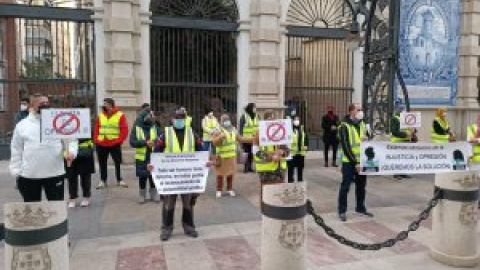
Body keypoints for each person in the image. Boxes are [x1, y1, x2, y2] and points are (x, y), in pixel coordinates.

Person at [147, 107, 205, 241]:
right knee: (168, 203)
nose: (180, 120)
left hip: (188, 176)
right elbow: (157, 152)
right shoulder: (165, 134)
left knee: (188, 202)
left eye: (182, 118)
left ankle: (189, 227)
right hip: (170, 176)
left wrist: (206, 162)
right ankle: (166, 228)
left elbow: (201, 151)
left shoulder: (192, 133)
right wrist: (152, 164)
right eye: (177, 118)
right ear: (172, 119)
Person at [10, 94, 77, 202]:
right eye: (41, 104)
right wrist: (16, 170)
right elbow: (16, 149)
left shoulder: (59, 122)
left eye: (47, 103)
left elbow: (71, 140)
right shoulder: (22, 125)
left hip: (55, 173)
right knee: (33, 209)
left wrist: (72, 152)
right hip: (29, 175)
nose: (45, 106)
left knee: (56, 210)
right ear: (32, 105)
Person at [337, 103, 373, 222]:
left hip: (362, 161)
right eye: (358, 109)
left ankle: (360, 207)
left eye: (361, 109)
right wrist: (355, 162)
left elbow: (370, 139)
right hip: (349, 162)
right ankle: (342, 211)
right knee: (345, 186)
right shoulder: (344, 126)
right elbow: (346, 146)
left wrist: (369, 136)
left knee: (361, 186)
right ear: (351, 111)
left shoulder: (363, 124)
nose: (361, 111)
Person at [211, 114, 252, 198]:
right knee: (220, 174)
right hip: (221, 156)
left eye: (227, 120)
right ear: (221, 121)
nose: (226, 121)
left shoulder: (233, 130)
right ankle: (219, 190)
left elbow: (240, 138)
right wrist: (220, 138)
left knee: (230, 173)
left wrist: (252, 139)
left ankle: (229, 189)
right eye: (224, 120)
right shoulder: (218, 130)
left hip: (231, 156)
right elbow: (214, 142)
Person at [253, 111, 289, 201]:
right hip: (266, 171)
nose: (272, 122)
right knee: (266, 196)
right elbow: (255, 151)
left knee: (279, 196)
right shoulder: (258, 133)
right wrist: (270, 157)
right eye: (269, 119)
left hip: (279, 170)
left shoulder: (280, 131)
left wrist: (282, 152)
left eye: (274, 119)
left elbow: (287, 151)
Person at [94, 98, 129, 189]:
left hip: (114, 143)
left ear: (110, 104)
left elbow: (124, 129)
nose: (104, 105)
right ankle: (103, 181)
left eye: (105, 103)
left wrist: (119, 140)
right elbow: (97, 128)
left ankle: (119, 179)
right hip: (101, 143)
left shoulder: (120, 115)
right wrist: (97, 140)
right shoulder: (101, 115)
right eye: (104, 103)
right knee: (102, 163)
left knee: (117, 162)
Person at [130, 110, 161, 204]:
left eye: (151, 117)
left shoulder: (155, 126)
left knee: (153, 176)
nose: (150, 118)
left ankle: (153, 194)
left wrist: (154, 142)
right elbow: (132, 142)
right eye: (148, 117)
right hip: (142, 156)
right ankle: (142, 195)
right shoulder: (137, 127)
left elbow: (161, 138)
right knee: (142, 176)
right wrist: (145, 143)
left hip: (153, 155)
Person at [67, 135, 95, 208]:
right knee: (71, 177)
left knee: (85, 177)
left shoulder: (86, 124)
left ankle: (86, 197)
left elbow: (90, 135)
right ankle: (72, 198)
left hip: (84, 152)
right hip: (70, 152)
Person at [390, 102, 415, 179]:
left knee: (405, 158)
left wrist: (413, 131)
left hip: (406, 141)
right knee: (397, 158)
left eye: (403, 109)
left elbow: (409, 129)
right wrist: (406, 134)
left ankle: (403, 173)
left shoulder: (407, 118)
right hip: (397, 141)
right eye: (401, 109)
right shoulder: (394, 118)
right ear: (396, 109)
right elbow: (394, 132)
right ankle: (396, 174)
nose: (402, 110)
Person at [287, 115, 308, 183]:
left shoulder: (302, 128)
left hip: (300, 152)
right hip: (292, 153)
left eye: (298, 119)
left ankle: (300, 180)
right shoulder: (289, 129)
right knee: (290, 169)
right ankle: (290, 181)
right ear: (292, 121)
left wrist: (306, 145)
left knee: (300, 168)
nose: (297, 121)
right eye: (295, 120)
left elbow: (306, 138)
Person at [239, 103, 260, 173]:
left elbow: (259, 126)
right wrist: (240, 138)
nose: (255, 109)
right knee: (246, 153)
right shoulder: (244, 116)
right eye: (254, 107)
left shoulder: (257, 116)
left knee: (252, 153)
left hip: (254, 138)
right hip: (246, 138)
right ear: (250, 108)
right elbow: (241, 128)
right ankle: (245, 167)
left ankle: (250, 167)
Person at [467, 116, 480, 208]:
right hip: (475, 160)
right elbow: (470, 140)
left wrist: (478, 140)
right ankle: (475, 200)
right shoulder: (471, 127)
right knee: (476, 181)